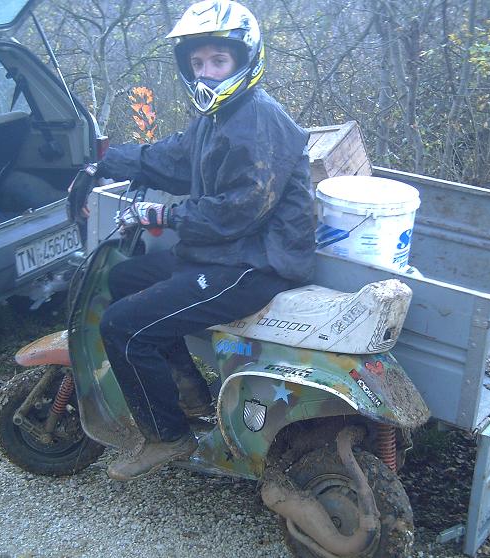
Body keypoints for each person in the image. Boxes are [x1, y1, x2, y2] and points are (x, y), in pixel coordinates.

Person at [94, 0, 315, 481]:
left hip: (254, 265)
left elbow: (238, 210)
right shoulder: (219, 117)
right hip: (221, 254)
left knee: (122, 326)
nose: (207, 72)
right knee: (126, 278)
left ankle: (166, 435)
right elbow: (173, 158)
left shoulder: (259, 120)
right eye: (197, 62)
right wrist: (104, 160)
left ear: (244, 59)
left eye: (218, 60)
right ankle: (190, 393)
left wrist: (163, 214)